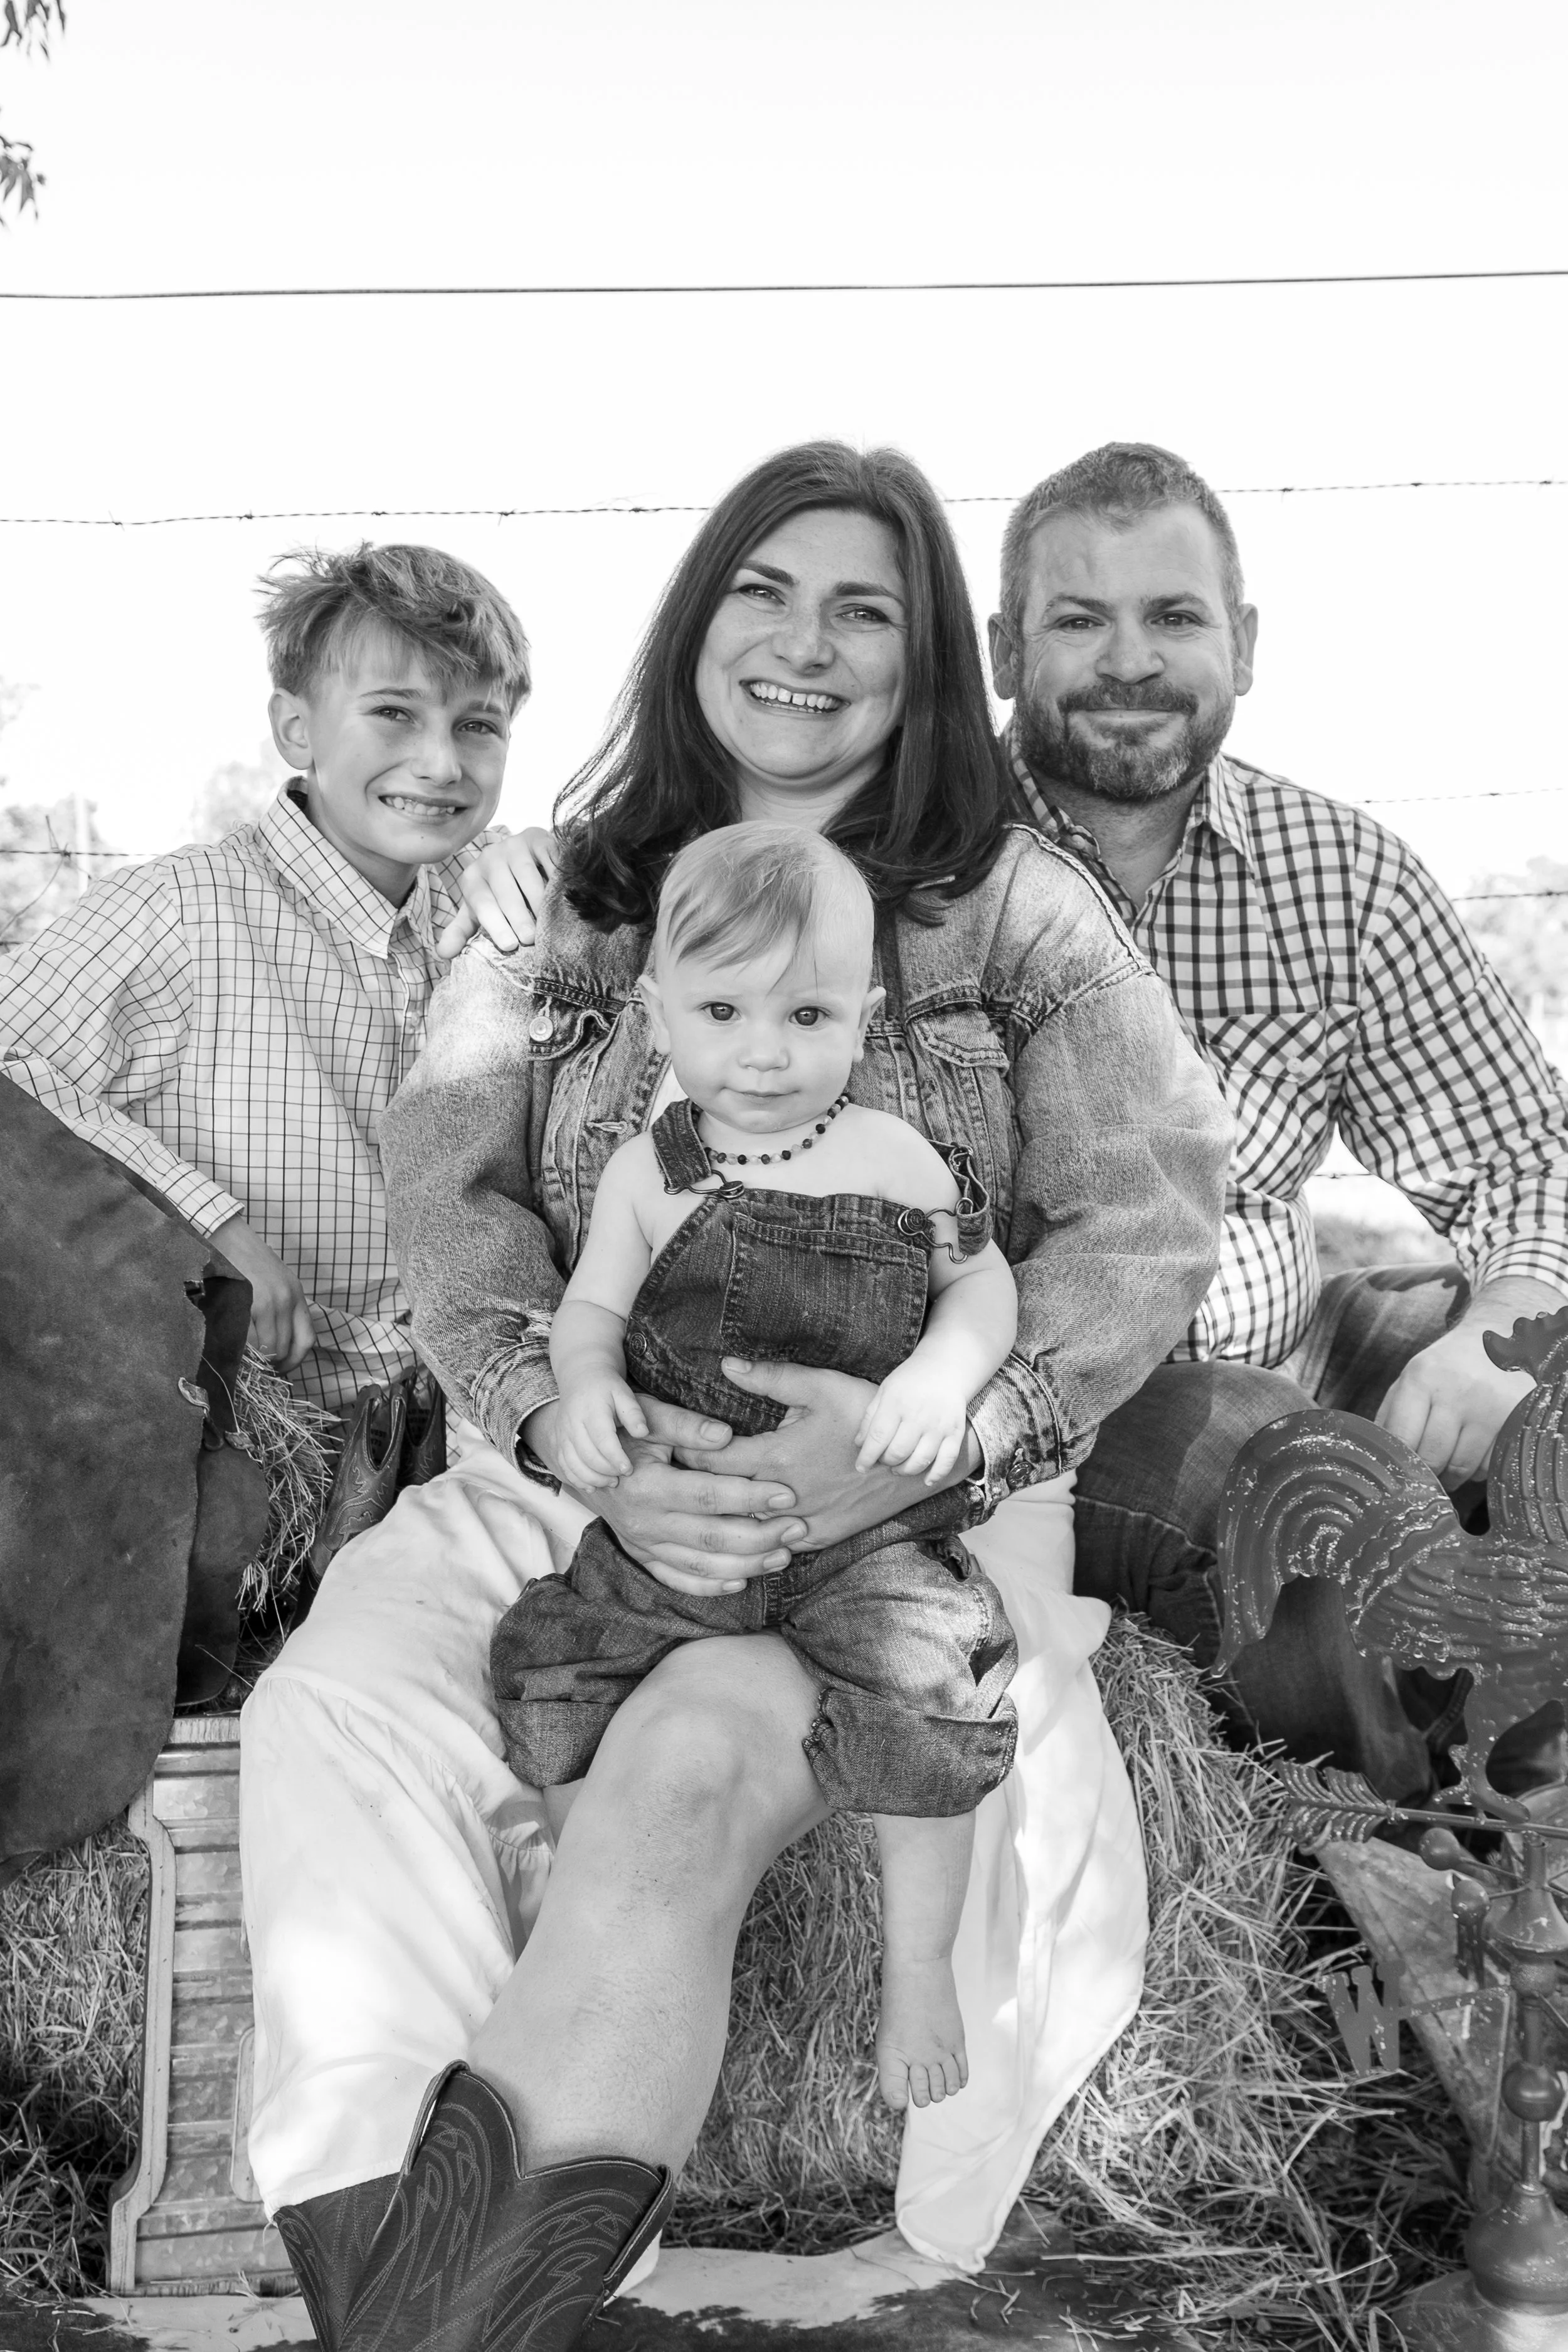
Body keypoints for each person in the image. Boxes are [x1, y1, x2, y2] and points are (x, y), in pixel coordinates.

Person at [239, 441, 1232, 2352]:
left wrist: (926, 1440)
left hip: (911, 1499)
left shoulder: (1013, 908)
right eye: (763, 590)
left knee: (686, 1758)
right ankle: (445, 2297)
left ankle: (445, 2319)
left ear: (925, 654)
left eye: (863, 606)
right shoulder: (549, 897)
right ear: (696, 621)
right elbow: (452, 1206)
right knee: (340, 1710)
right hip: (574, 1479)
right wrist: (565, 1427)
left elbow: (1141, 1218)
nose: (804, 641)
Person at [983, 441, 1568, 1800]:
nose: (1129, 660)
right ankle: (1395, 1880)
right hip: (1063, 1417)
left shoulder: (1335, 873)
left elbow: (1520, 1153)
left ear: (1240, 645)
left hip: (1299, 1346)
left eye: (1172, 616)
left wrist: (1497, 1329)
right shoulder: (932, 869)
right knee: (1300, 1479)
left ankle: (1538, 1809)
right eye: (1080, 619)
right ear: (1007, 652)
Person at [492, 821, 1022, 2116]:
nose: (764, 1050)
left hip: (861, 1538)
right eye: (722, 1009)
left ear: (867, 1019)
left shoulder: (900, 1160)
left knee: (923, 1697)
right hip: (678, 1525)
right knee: (553, 1669)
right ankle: (572, 1907)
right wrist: (587, 1396)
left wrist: (936, 1382)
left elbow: (979, 1287)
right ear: (653, 1009)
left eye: (809, 1012)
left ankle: (915, 1967)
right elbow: (589, 1317)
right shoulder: (643, 1174)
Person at [0, 541, 531, 1417]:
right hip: (264, 1432)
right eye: (395, 712)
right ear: (296, 729)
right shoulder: (182, 909)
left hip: (473, 1422)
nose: (442, 761)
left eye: (478, 723)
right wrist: (206, 1223)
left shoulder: (495, 904)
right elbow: (10, 1070)